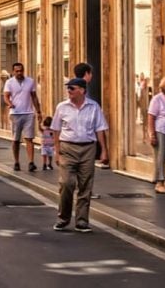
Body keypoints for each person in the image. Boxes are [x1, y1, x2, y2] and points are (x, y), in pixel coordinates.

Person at [52, 78, 109, 233]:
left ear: (82, 90)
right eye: (68, 88)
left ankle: (82, 221)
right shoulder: (62, 107)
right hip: (68, 147)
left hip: (88, 148)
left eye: (72, 88)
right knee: (66, 183)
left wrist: (103, 150)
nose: (69, 91)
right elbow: (55, 130)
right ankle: (63, 218)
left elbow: (100, 129)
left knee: (85, 185)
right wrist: (57, 151)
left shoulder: (94, 107)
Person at [3, 62, 43, 172]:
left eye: (21, 71)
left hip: (28, 113)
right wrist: (9, 103)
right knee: (16, 139)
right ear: (13, 72)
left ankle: (31, 162)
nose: (19, 73)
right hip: (15, 113)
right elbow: (6, 96)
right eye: (17, 71)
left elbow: (34, 97)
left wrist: (39, 111)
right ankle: (16, 162)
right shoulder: (9, 82)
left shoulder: (30, 81)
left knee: (29, 138)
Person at [73, 62, 110, 169]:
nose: (92, 76)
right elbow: (99, 127)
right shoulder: (83, 89)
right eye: (91, 73)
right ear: (86, 74)